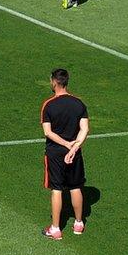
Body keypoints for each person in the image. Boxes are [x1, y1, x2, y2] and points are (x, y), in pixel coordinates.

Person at [41, 68, 89, 240]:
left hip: (55, 153)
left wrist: (66, 144)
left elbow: (48, 132)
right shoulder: (79, 104)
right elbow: (85, 129)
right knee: (75, 186)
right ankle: (78, 224)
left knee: (57, 189)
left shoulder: (49, 105)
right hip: (74, 153)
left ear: (54, 82)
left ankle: (55, 229)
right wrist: (74, 147)